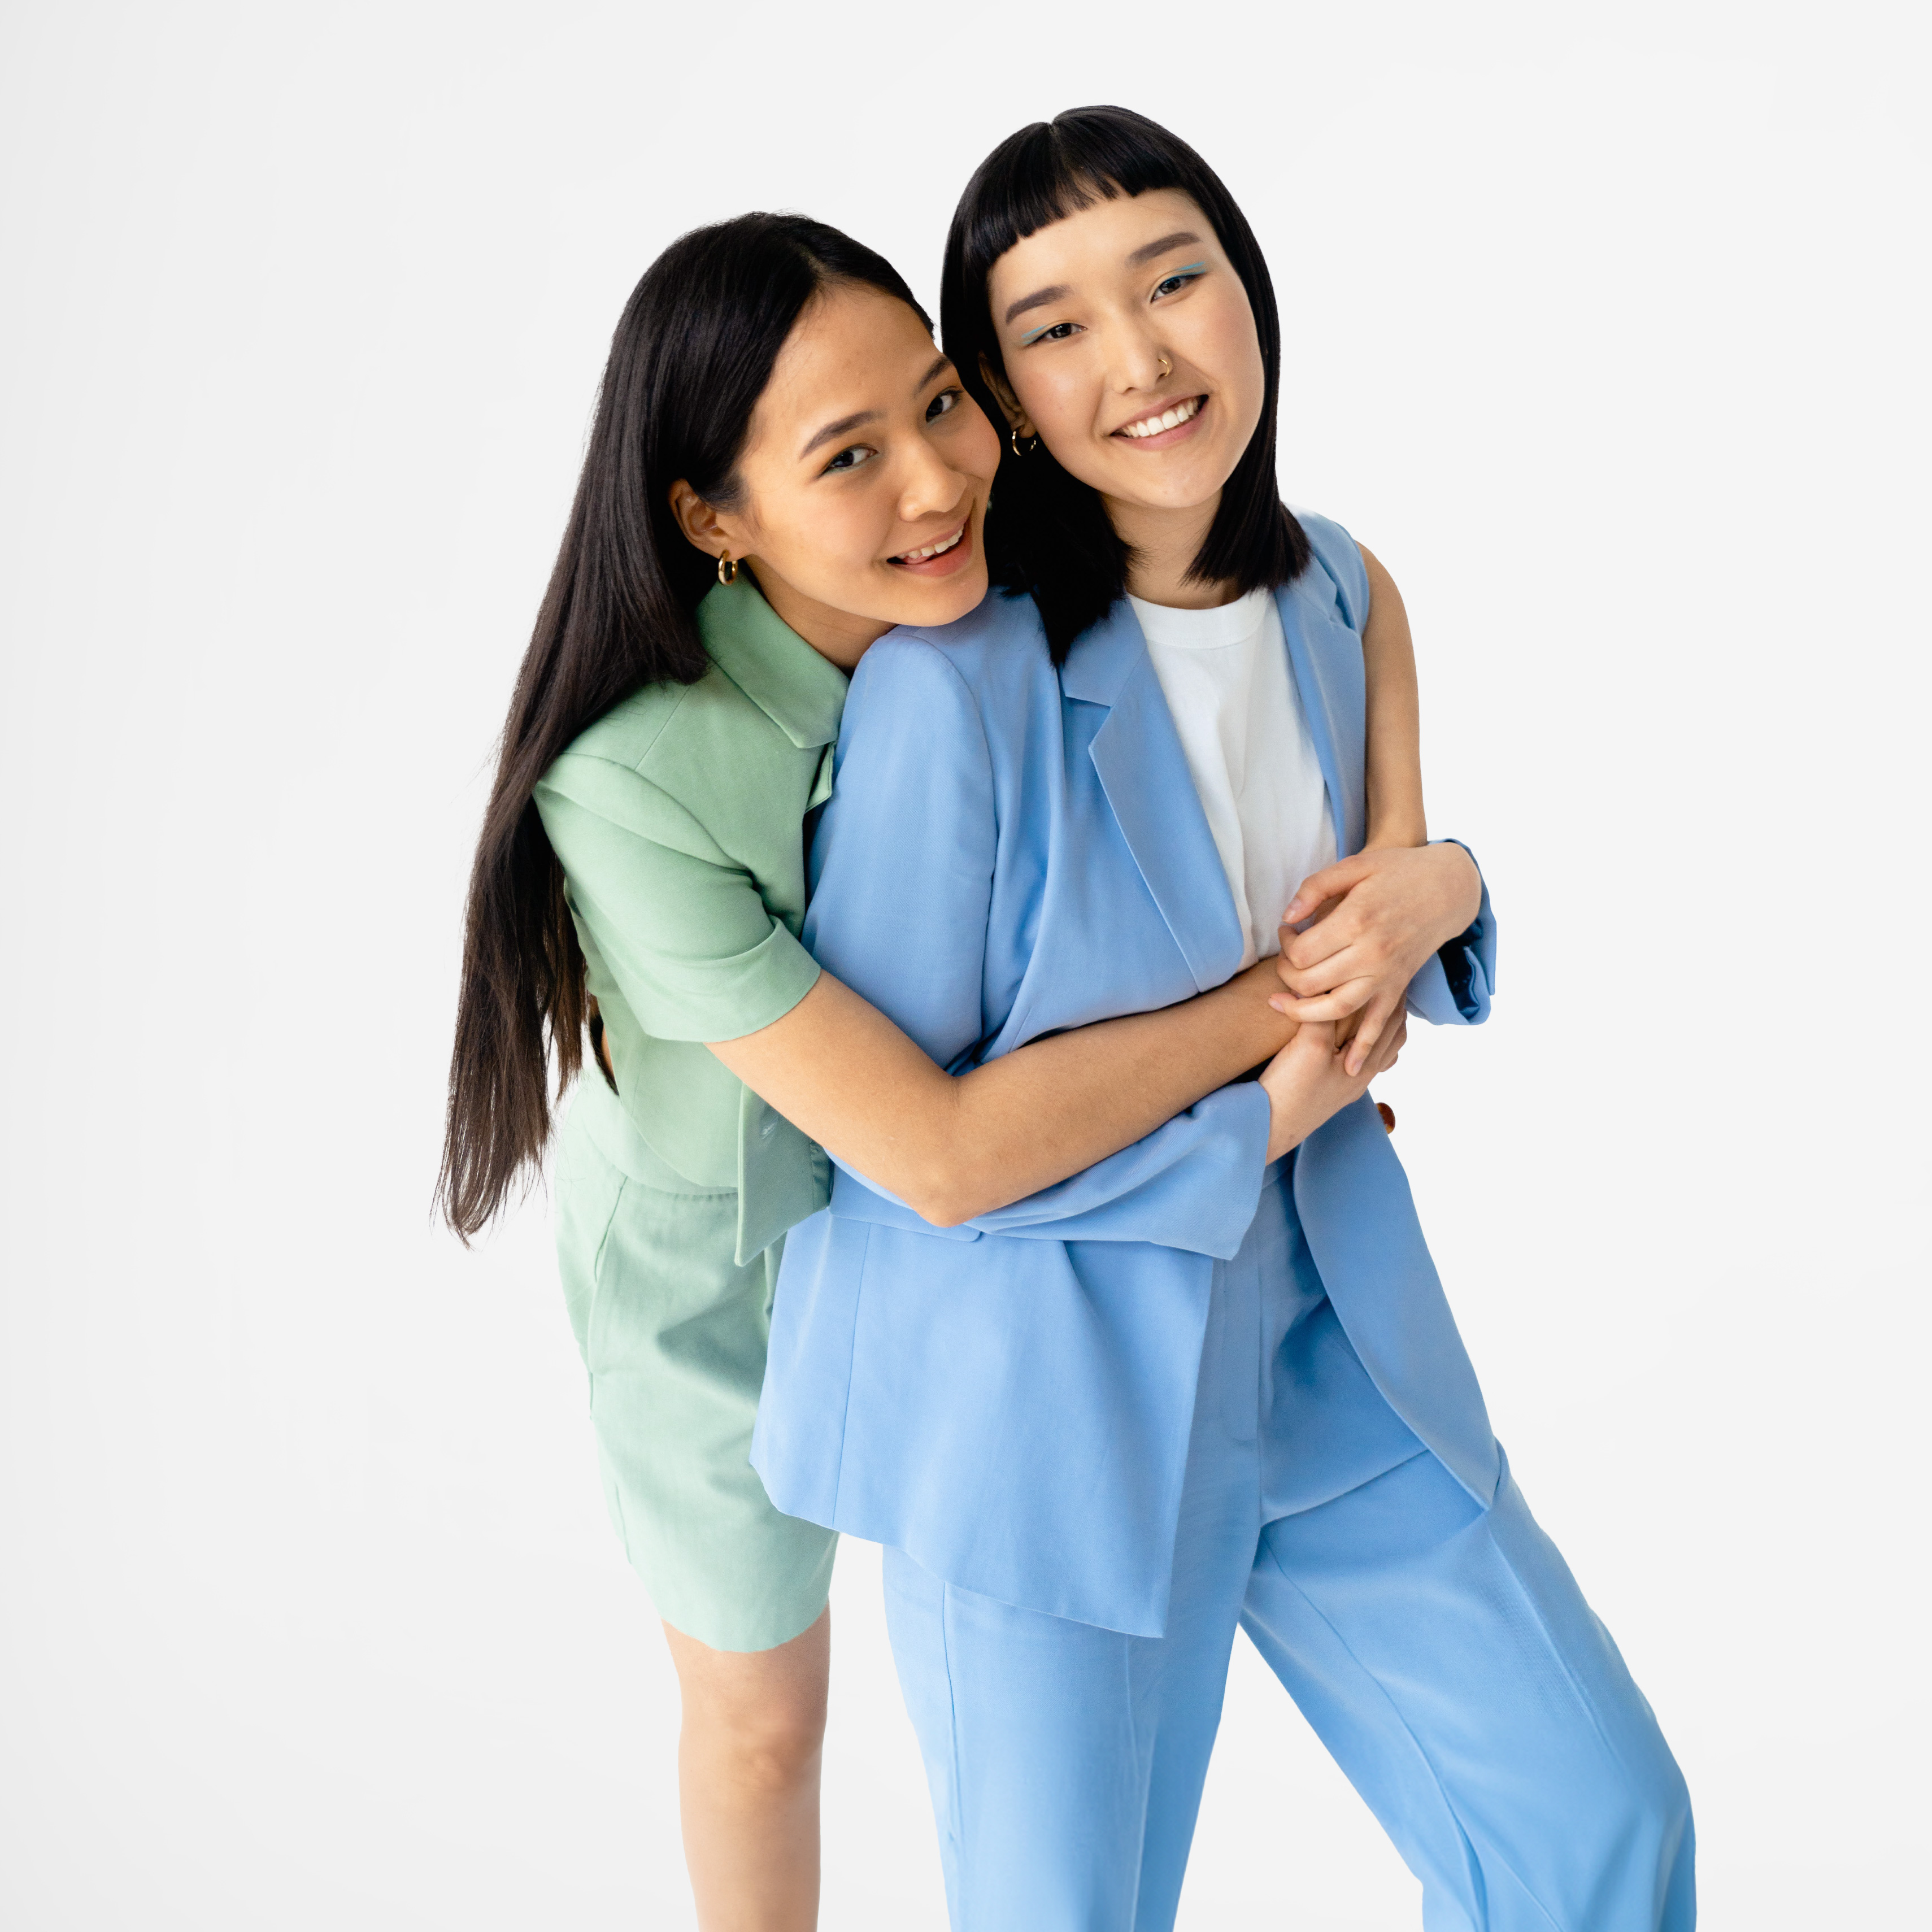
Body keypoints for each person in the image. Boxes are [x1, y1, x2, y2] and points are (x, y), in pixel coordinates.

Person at [753, 108, 1694, 1930]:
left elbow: (1381, 931)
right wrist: (1256, 1108)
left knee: (1593, 1824)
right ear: (999, 400)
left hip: (1330, 1337)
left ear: (1248, 288)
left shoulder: (1338, 589)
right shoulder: (953, 690)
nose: (1140, 357)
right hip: (1040, 1389)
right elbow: (901, 1161)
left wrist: (1449, 882)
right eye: (1054, 326)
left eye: (1173, 279)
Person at [438, 210, 1429, 1930]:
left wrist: (1424, 891)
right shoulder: (636, 785)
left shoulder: (1021, 615)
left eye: (942, 403)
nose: (934, 478)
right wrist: (1288, 1012)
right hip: (727, 1279)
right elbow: (940, 1148)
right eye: (847, 456)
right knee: (764, 1721)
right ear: (712, 519)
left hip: (1011, 1243)